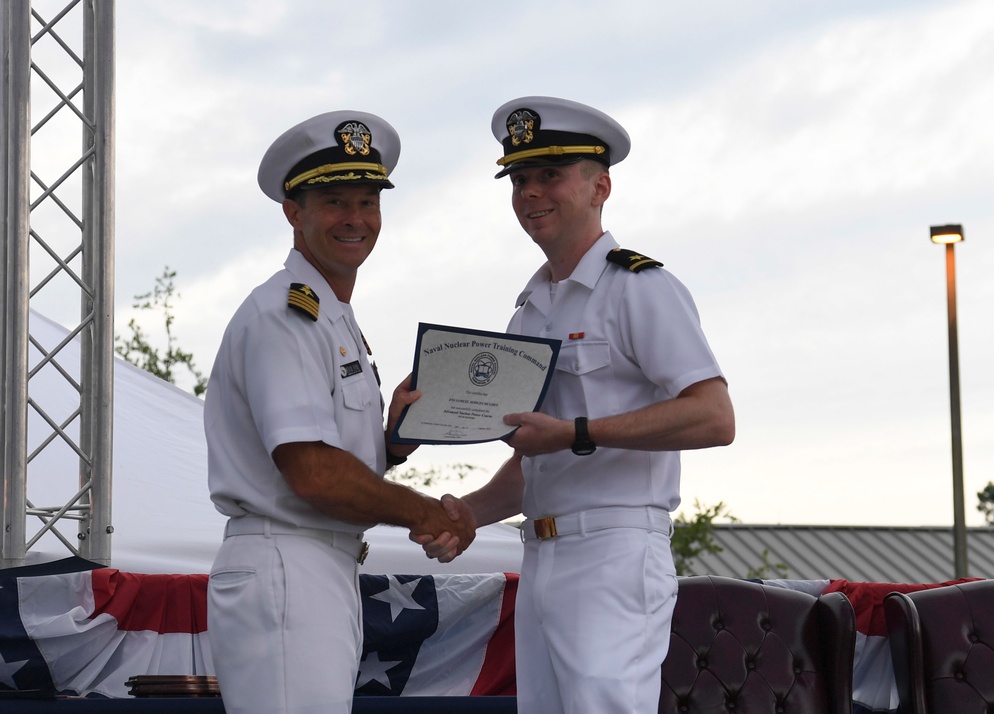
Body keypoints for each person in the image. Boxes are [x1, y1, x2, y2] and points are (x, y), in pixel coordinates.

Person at [423, 96, 736, 713]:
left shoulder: (640, 288)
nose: (531, 193)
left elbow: (714, 416)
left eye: (550, 175)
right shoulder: (530, 308)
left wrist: (576, 431)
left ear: (601, 187)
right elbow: (535, 460)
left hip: (613, 551)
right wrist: (467, 515)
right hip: (540, 556)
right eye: (519, 179)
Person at [204, 110, 475, 714]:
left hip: (317, 563)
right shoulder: (286, 314)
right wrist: (425, 511)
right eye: (333, 202)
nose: (355, 219)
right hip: (287, 561)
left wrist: (391, 445)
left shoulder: (331, 314)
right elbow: (313, 472)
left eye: (367, 202)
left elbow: (324, 457)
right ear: (292, 212)